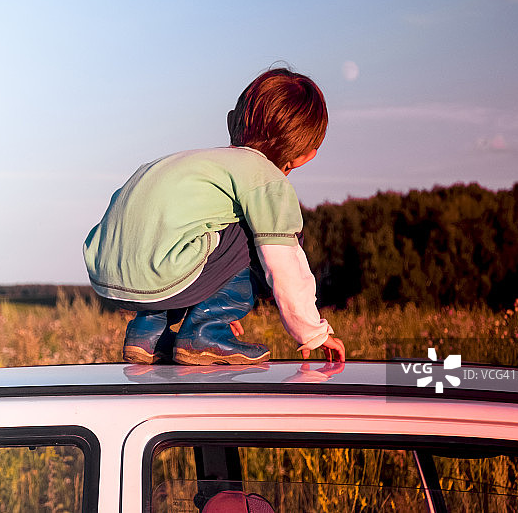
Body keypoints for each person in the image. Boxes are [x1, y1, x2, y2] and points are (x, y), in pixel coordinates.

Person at [83, 68, 345, 365]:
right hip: (166, 272)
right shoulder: (266, 179)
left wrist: (210, 291)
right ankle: (205, 330)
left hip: (109, 273)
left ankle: (147, 332)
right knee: (263, 233)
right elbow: (284, 264)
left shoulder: (197, 165)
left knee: (200, 230)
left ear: (232, 121)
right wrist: (312, 332)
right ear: (306, 155)